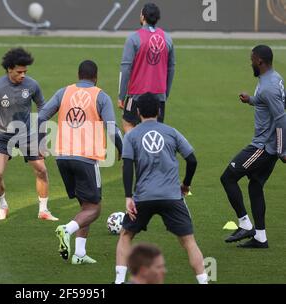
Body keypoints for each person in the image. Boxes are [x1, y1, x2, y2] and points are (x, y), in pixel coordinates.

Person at [115, 94, 208, 284]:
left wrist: (128, 197)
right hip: (171, 197)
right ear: (159, 111)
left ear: (138, 112)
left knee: (126, 235)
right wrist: (186, 184)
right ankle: (203, 281)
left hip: (143, 197)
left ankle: (118, 281)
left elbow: (127, 166)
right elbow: (192, 159)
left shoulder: (132, 135)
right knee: (189, 242)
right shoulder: (171, 132)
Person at [38, 60, 123, 264]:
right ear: (96, 77)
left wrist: (41, 143)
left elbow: (41, 116)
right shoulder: (100, 96)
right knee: (94, 208)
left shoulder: (63, 92)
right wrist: (122, 149)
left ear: (78, 75)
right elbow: (112, 129)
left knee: (85, 206)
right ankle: (66, 230)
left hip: (63, 157)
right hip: (86, 158)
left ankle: (79, 254)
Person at [0, 48, 58, 221]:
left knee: (41, 170)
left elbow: (43, 108)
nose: (23, 75)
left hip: (26, 134)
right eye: (19, 72)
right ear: (9, 69)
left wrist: (42, 139)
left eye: (25, 72)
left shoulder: (32, 85)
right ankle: (3, 205)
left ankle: (43, 210)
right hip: (2, 135)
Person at [221, 45, 286, 249]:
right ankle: (260, 237)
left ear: (259, 61)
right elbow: (269, 102)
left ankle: (245, 224)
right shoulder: (274, 78)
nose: (250, 62)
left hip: (263, 147)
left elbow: (281, 119)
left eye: (252, 59)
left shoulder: (269, 87)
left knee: (228, 177)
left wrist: (282, 149)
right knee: (255, 186)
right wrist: (251, 100)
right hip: (269, 146)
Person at [118, 2, 175, 133]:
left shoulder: (133, 39)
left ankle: (134, 153)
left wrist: (121, 96)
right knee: (153, 131)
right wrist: (165, 94)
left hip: (136, 95)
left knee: (128, 124)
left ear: (143, 17)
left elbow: (125, 69)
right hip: (158, 96)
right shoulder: (167, 39)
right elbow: (171, 69)